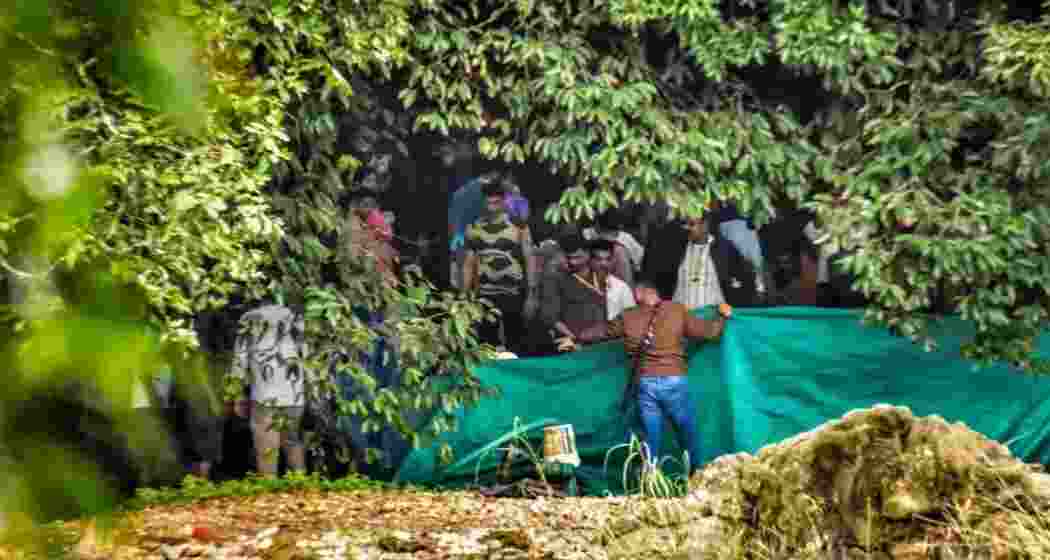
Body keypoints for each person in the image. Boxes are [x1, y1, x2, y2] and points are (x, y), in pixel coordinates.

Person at [578, 277, 732, 472]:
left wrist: (576, 337)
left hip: (645, 382)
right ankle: (697, 473)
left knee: (651, 436)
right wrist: (722, 316)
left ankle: (650, 480)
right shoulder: (676, 310)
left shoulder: (628, 316)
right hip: (674, 379)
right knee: (687, 431)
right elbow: (710, 333)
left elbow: (600, 332)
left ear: (640, 293)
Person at [232, 303, 308, 478]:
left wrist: (237, 395)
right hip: (294, 394)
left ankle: (268, 492)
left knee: (267, 447)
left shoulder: (250, 318)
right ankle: (301, 488)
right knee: (293, 442)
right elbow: (308, 356)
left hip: (264, 395)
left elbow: (239, 361)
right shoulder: (296, 317)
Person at [462, 178, 537, 352]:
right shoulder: (473, 228)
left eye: (496, 202)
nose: (492, 206)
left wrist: (532, 294)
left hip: (513, 292)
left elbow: (530, 259)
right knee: (486, 344)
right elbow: (468, 264)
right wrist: (464, 297)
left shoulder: (519, 226)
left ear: (503, 201)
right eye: (488, 202)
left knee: (517, 343)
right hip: (485, 294)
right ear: (483, 202)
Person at [642, 213, 762, 309]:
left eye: (692, 224)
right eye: (686, 224)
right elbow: (661, 278)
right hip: (681, 320)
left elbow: (746, 279)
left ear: (705, 225)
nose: (688, 229)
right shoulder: (676, 250)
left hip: (713, 321)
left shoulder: (723, 250)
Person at [540, 235, 609, 352]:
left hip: (602, 342)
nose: (572, 262)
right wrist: (575, 340)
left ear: (587, 255)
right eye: (569, 258)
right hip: (572, 344)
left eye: (577, 257)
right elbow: (551, 318)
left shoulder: (601, 275)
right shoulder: (556, 279)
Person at [589, 239, 636, 320]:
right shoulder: (580, 284)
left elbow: (632, 318)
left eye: (608, 259)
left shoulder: (622, 288)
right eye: (598, 259)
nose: (604, 264)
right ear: (590, 260)